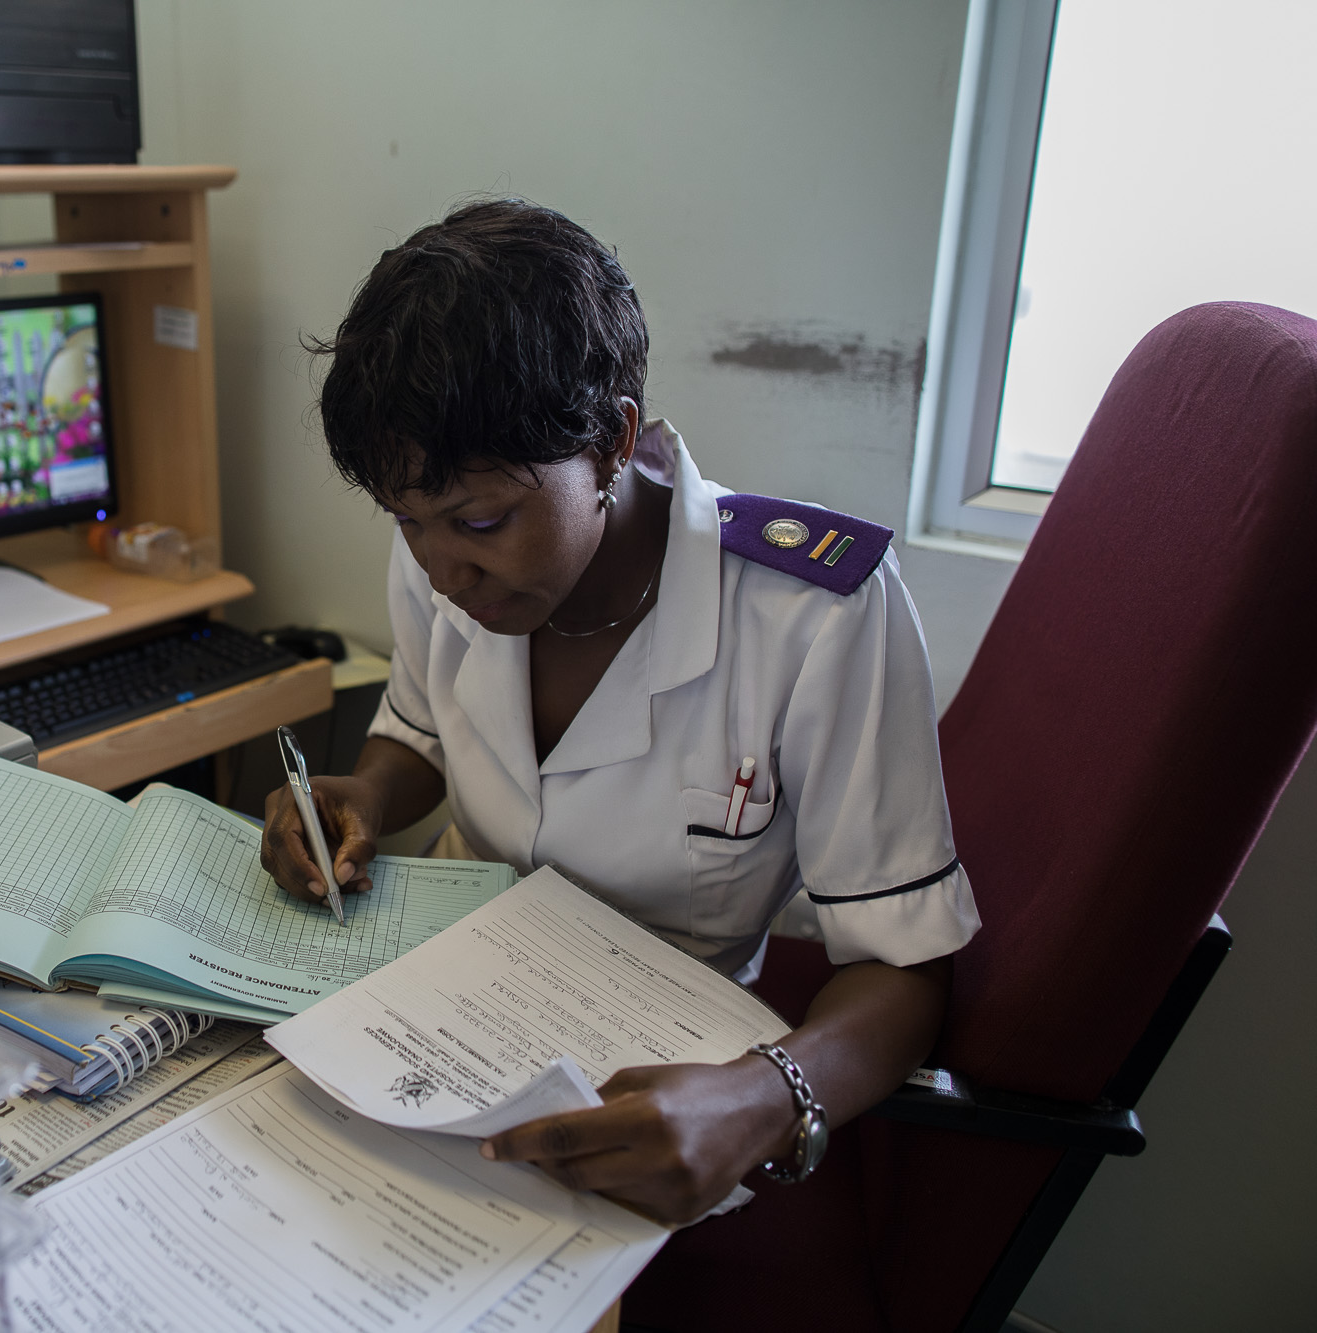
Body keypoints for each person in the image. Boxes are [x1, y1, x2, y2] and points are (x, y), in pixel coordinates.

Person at [259, 199, 981, 1225]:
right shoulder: (438, 537)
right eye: (403, 522)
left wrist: (768, 1092)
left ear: (609, 442)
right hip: (434, 1019)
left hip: (649, 1094)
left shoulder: (813, 615)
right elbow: (419, 730)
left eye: (478, 521)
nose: (437, 567)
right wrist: (363, 791)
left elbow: (906, 965)